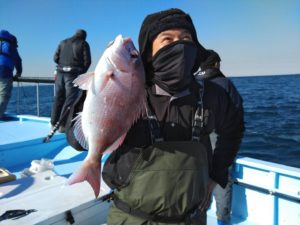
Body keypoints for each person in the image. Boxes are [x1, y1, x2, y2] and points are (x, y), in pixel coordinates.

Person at [66, 8, 244, 225]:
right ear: (149, 51)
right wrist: (96, 89)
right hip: (131, 217)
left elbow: (233, 130)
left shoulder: (213, 94)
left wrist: (217, 174)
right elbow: (75, 141)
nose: (178, 45)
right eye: (167, 39)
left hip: (192, 218)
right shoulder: (134, 89)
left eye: (186, 38)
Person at [199, 50, 244, 225]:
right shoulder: (225, 84)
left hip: (196, 138)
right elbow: (236, 115)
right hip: (218, 136)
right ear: (216, 64)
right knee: (221, 177)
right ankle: (222, 220)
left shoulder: (194, 83)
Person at [51, 29, 91, 132]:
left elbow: (55, 58)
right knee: (70, 100)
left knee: (58, 98)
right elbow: (88, 62)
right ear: (84, 36)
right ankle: (62, 125)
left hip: (59, 74)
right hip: (73, 74)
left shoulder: (63, 42)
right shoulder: (83, 43)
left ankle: (53, 123)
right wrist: (81, 74)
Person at [0, 30, 22, 119]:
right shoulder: (11, 47)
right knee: (3, 94)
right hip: (4, 71)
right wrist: (18, 73)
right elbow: (18, 61)